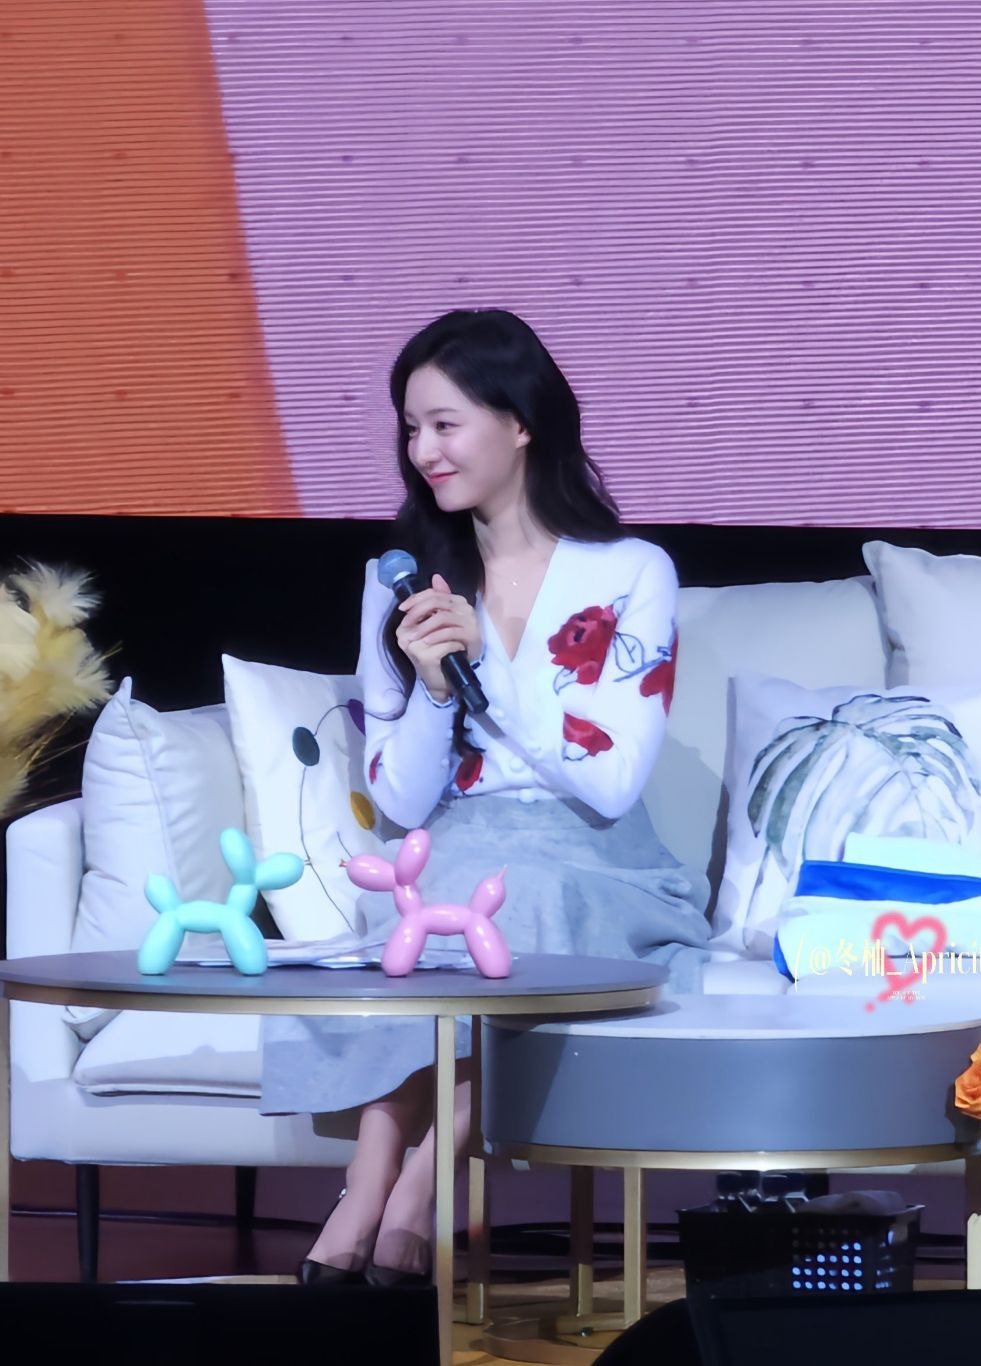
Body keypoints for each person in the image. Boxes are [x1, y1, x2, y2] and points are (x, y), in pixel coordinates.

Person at [260, 308, 712, 1285]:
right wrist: (432, 689)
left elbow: (608, 781)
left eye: (445, 424)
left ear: (519, 422)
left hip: (592, 855)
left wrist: (485, 670)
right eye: (410, 428)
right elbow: (399, 798)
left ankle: (411, 1188)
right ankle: (373, 1187)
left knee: (515, 898)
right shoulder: (400, 582)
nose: (423, 451)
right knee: (421, 910)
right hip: (455, 839)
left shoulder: (631, 572)